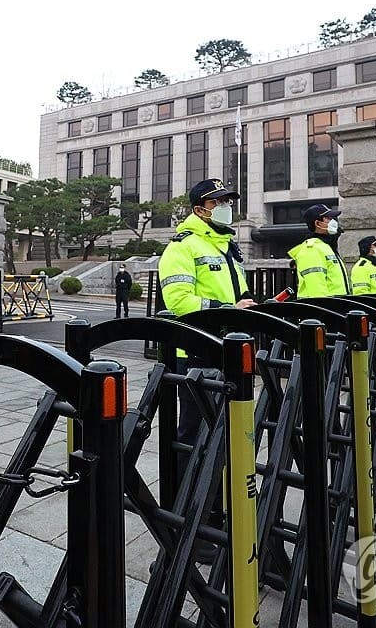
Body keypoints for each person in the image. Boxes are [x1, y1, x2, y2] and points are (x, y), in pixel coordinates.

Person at [158, 178, 254, 561]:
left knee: (223, 438)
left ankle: (214, 512)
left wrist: (246, 303)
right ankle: (189, 524)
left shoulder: (228, 247)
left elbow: (238, 295)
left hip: (226, 354)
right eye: (220, 201)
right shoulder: (183, 247)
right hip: (196, 356)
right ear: (200, 208)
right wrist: (228, 311)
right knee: (195, 439)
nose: (228, 205)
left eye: (230, 200)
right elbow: (179, 300)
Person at [288, 203, 348, 298]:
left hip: (335, 307)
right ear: (318, 223)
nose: (334, 221)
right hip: (325, 309)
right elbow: (316, 290)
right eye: (328, 218)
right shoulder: (312, 249)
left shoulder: (326, 247)